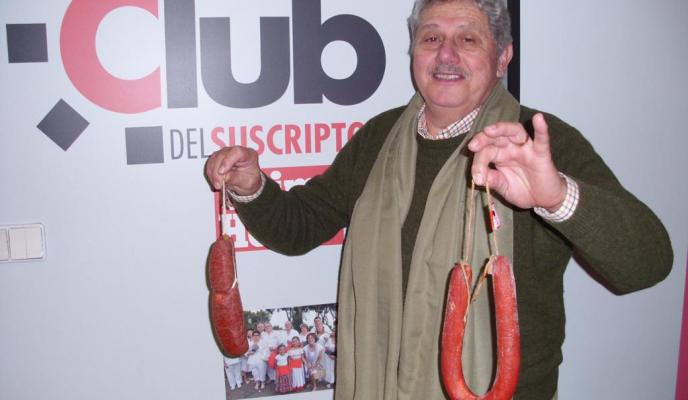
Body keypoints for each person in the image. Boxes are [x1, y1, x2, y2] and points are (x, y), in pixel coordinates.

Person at [205, 0, 673, 398]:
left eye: (468, 39)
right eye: (431, 38)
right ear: (413, 51)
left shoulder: (535, 142)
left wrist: (556, 196)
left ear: (503, 56)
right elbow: (300, 227)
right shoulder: (380, 138)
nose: (446, 54)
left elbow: (647, 264)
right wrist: (252, 186)